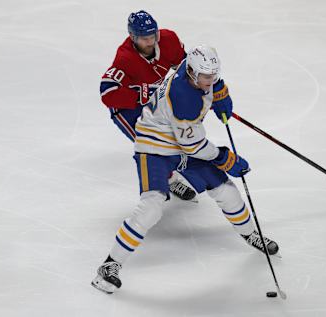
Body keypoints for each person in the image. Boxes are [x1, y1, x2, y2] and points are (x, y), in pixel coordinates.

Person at [92, 45, 279, 294]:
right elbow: (194, 146)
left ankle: (250, 234)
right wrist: (224, 158)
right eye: (205, 77)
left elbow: (212, 80)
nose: (209, 81)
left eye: (212, 76)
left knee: (226, 191)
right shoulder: (184, 97)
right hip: (155, 148)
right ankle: (110, 265)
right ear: (191, 72)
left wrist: (220, 93)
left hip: (183, 144)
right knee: (151, 206)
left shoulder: (193, 70)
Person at [100, 10, 196, 201]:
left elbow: (185, 67)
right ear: (133, 37)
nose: (151, 41)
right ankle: (169, 180)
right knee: (153, 146)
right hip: (125, 108)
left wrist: (201, 90)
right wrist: (141, 95)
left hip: (153, 100)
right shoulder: (125, 58)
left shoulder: (169, 40)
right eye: (145, 38)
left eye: (153, 35)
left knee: (174, 136)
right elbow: (107, 93)